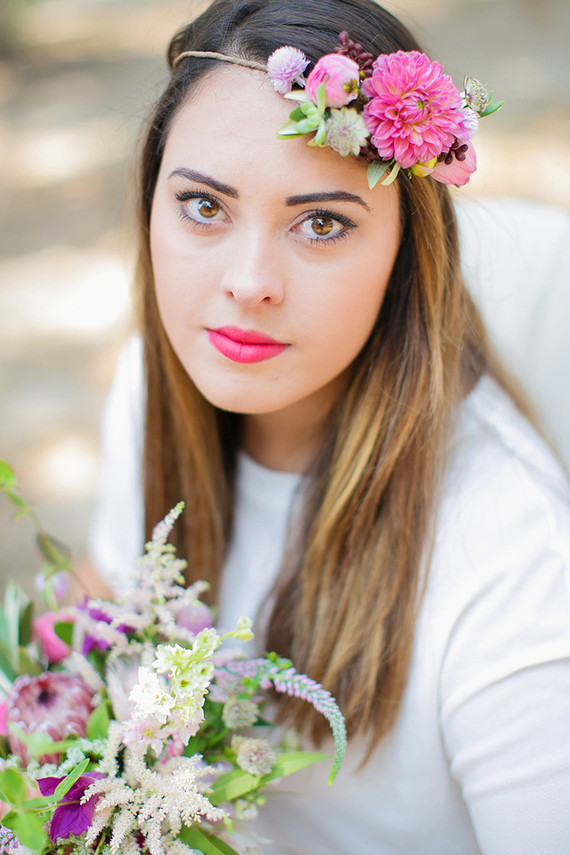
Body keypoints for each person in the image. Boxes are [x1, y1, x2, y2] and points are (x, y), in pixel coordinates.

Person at [89, 0, 570, 852]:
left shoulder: (515, 564)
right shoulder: (150, 383)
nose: (249, 282)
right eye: (204, 206)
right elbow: (105, 622)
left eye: (321, 223)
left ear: (405, 254)